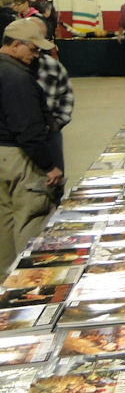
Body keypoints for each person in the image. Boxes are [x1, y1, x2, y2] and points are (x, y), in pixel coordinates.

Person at [0, 19, 62, 271]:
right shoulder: (17, 78)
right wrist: (48, 166)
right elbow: (28, 129)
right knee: (31, 219)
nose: (35, 55)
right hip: (19, 157)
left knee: (4, 223)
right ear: (15, 45)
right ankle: (29, 281)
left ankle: (7, 281)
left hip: (3, 156)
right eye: (33, 49)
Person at [27, 18, 73, 175]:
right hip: (15, 141)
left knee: (55, 179)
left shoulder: (51, 65)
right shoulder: (9, 71)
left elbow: (67, 95)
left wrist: (55, 124)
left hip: (50, 134)